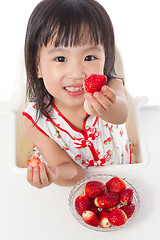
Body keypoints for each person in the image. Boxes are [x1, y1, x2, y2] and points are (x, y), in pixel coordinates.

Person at [22, 0, 133, 189]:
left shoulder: (111, 86)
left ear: (105, 59)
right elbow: (74, 173)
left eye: (89, 58)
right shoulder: (35, 120)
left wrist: (107, 107)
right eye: (60, 58)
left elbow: (121, 115)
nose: (76, 73)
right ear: (37, 66)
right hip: (75, 190)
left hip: (123, 180)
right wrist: (53, 173)